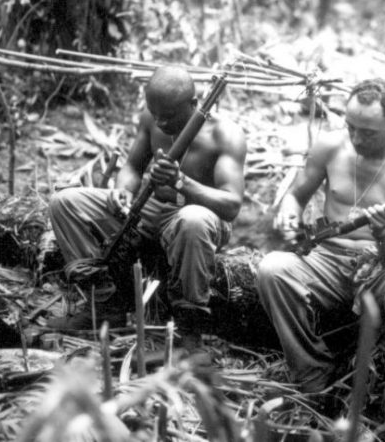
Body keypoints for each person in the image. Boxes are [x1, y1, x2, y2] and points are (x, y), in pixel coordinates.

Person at [256, 78, 385, 442]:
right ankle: (315, 384)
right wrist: (289, 215)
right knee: (272, 269)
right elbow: (295, 194)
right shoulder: (330, 147)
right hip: (325, 259)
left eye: (367, 132)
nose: (356, 139)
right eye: (350, 126)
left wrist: (383, 232)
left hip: (379, 267)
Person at [47, 66, 247, 342]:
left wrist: (182, 183)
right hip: (153, 209)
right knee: (65, 202)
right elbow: (131, 167)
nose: (161, 123)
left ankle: (190, 329)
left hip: (200, 218)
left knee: (193, 220)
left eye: (169, 116)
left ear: (193, 104)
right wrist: (123, 192)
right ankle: (107, 303)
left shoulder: (225, 135)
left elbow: (231, 205)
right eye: (156, 115)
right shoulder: (153, 119)